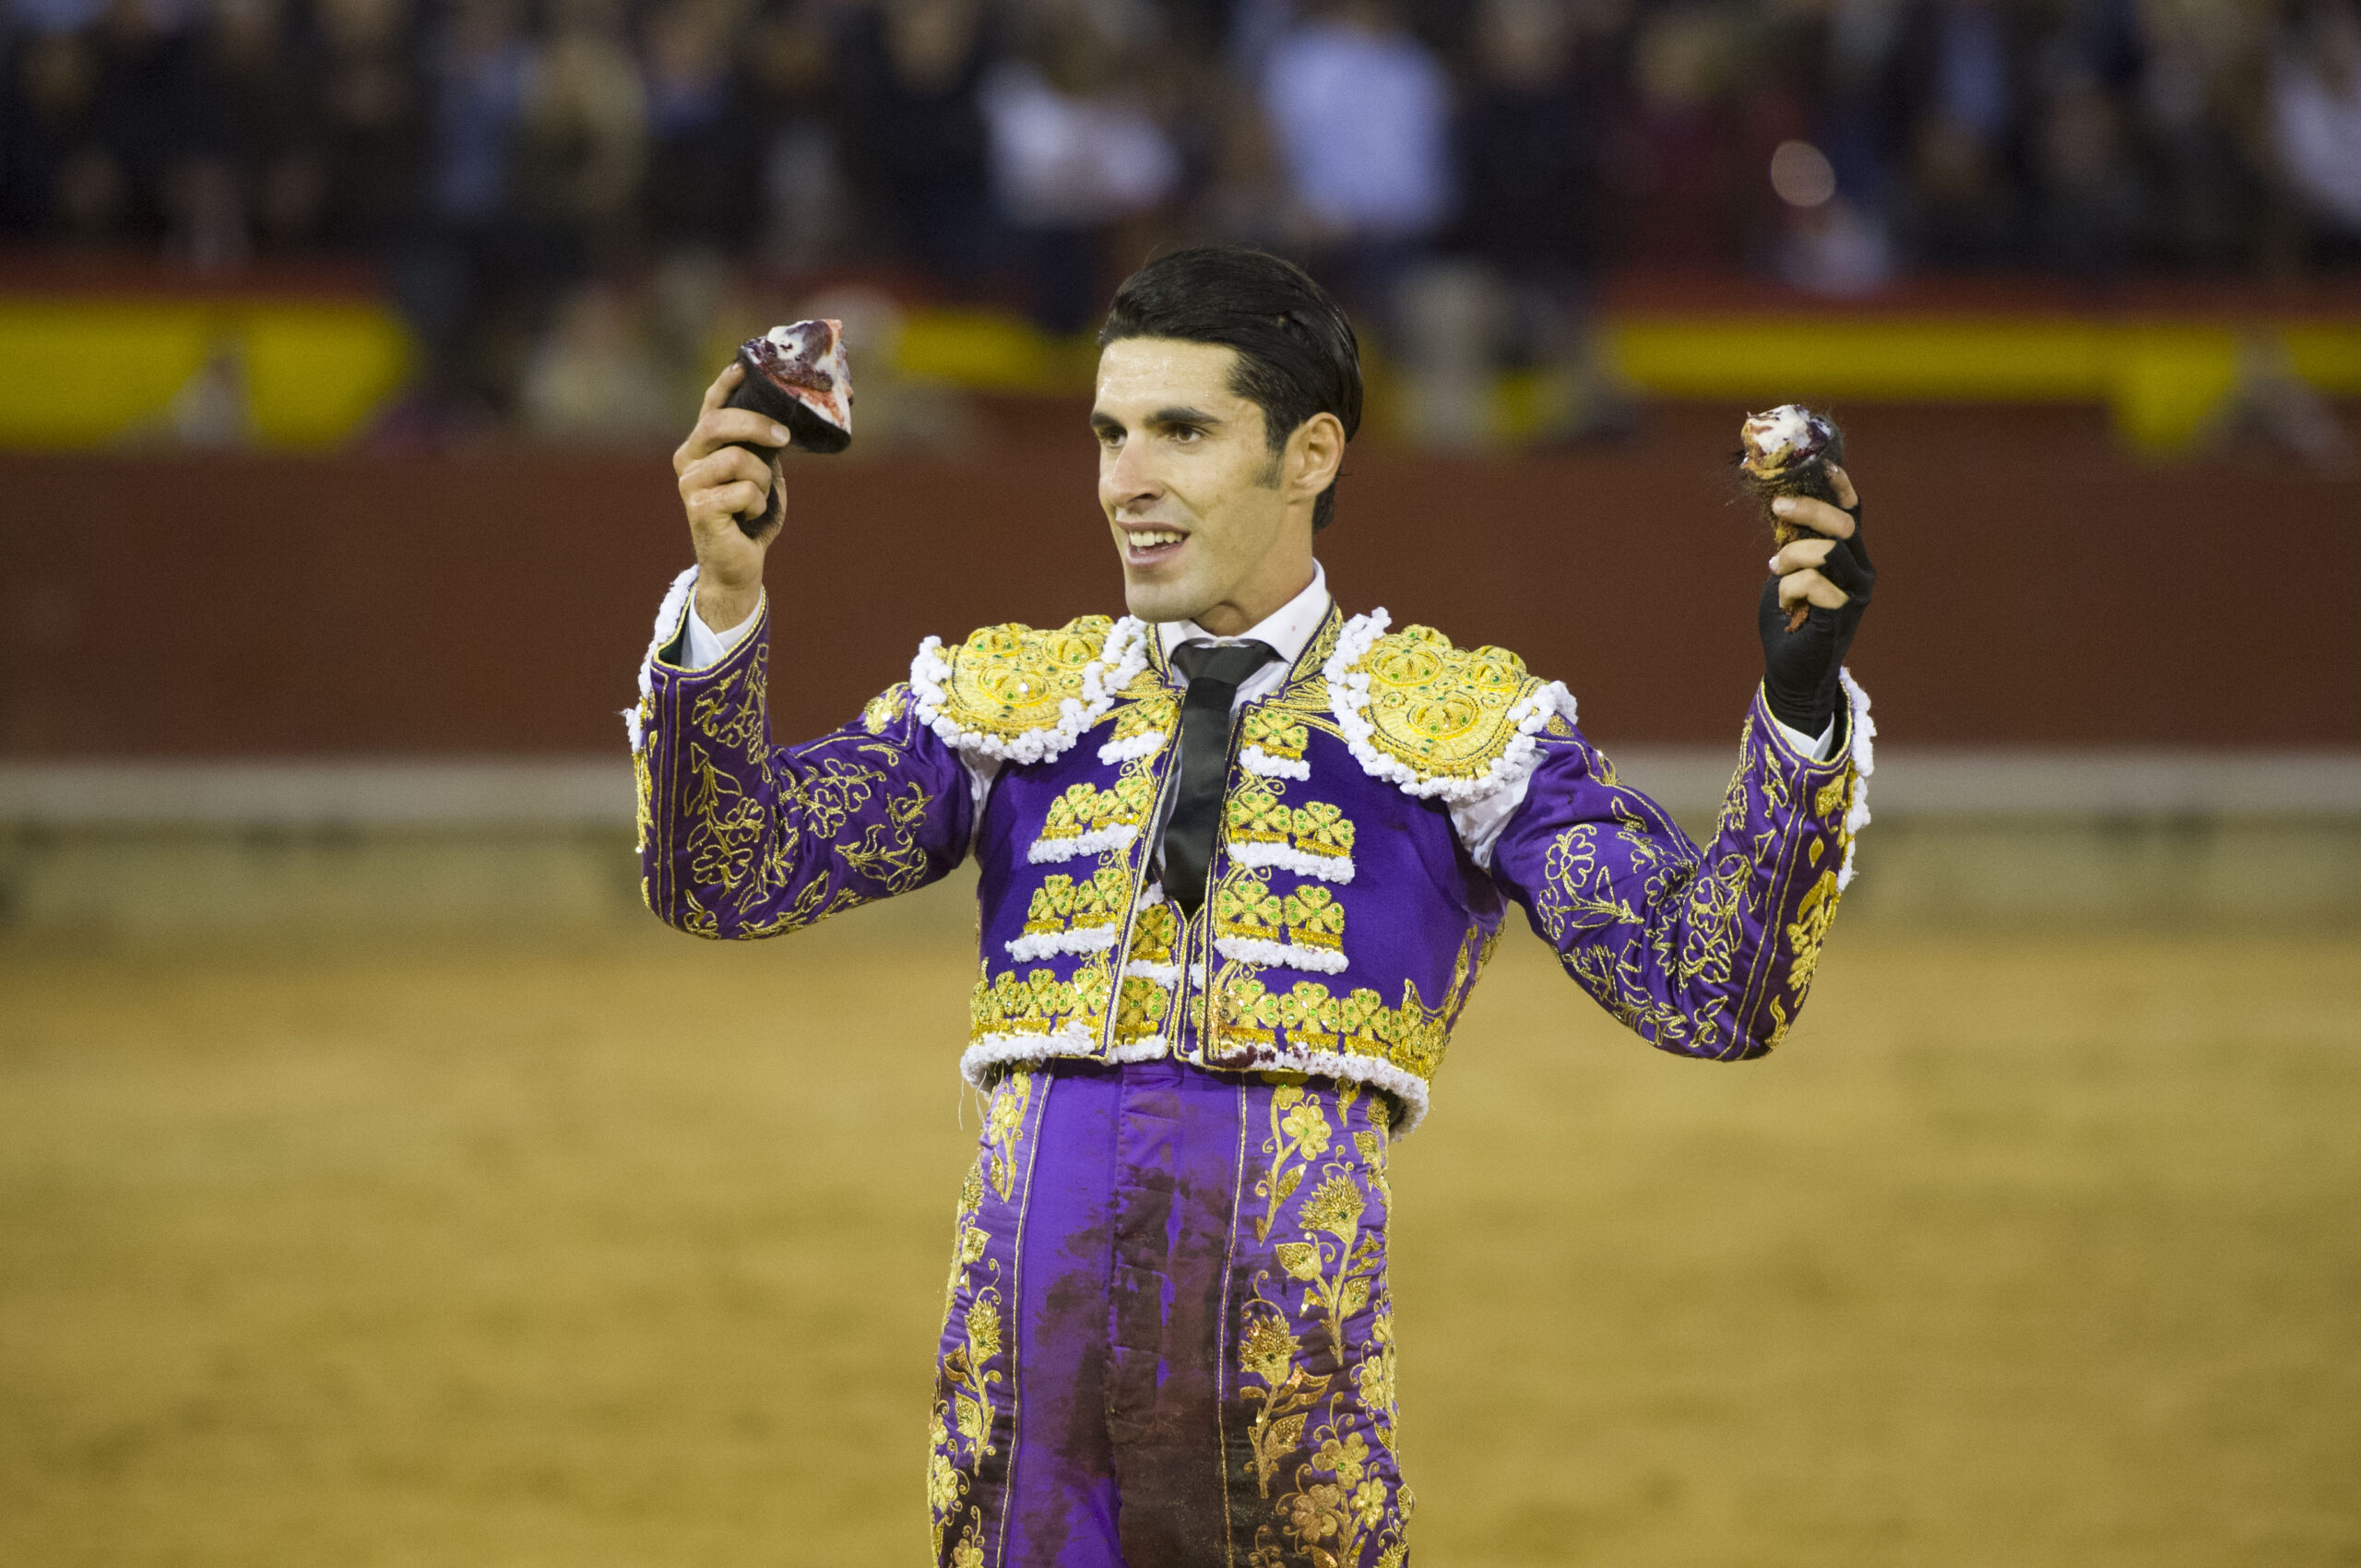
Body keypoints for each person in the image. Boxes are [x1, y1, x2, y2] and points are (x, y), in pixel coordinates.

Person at [626, 246, 1876, 1567]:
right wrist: (724, 599)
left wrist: (1798, 712)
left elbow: (1710, 985)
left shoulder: (1456, 731)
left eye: (1181, 432)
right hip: (1026, 1436)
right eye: (1110, 434)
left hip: (1287, 1426)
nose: (1127, 482)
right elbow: (725, 872)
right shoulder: (1009, 706)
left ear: (1311, 454)